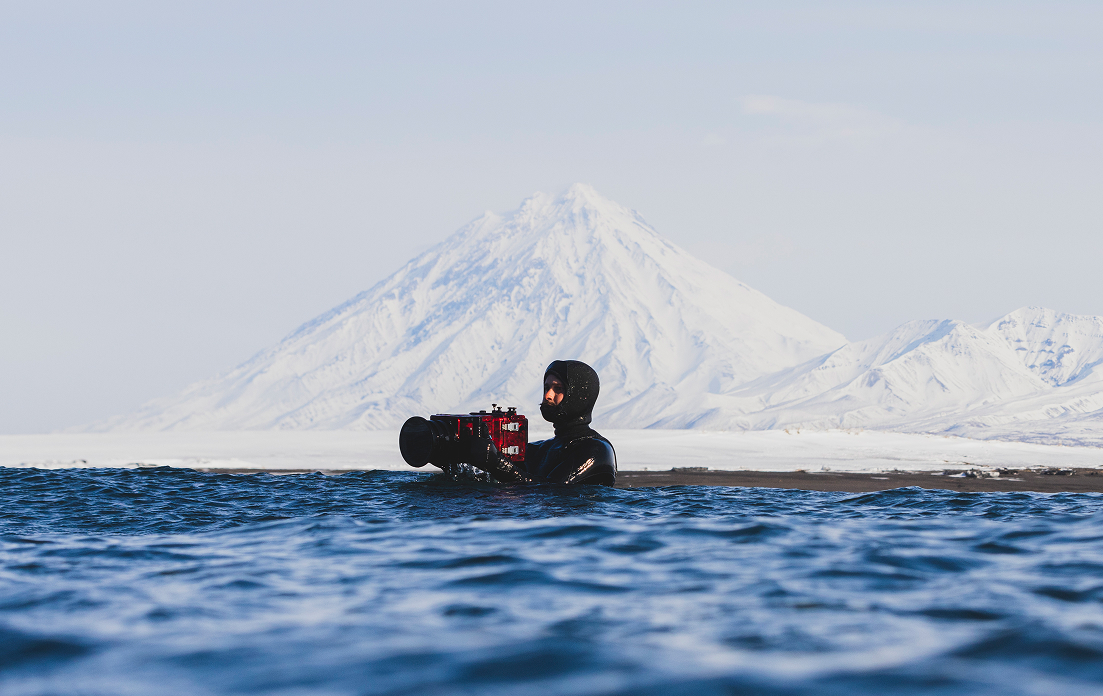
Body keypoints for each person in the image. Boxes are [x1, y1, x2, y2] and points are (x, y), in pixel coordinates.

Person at [460, 360, 617, 485]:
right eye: (546, 387)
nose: (548, 395)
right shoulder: (538, 450)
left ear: (579, 397)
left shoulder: (596, 450)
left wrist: (496, 463)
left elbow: (551, 490)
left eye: (558, 389)